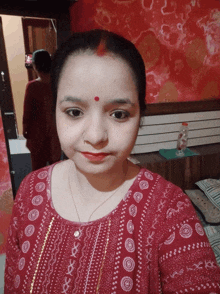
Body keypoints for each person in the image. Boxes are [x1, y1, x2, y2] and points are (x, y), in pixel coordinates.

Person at [4, 29, 220, 293]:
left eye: (118, 114)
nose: (96, 136)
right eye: (74, 112)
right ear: (55, 112)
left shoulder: (170, 211)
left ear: (140, 116)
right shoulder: (29, 191)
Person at [22, 49, 61, 171]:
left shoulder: (33, 87)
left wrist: (25, 130)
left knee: (38, 169)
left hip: (38, 134)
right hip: (56, 132)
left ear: (35, 65)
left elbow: (27, 112)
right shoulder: (58, 84)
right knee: (55, 168)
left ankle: (40, 189)